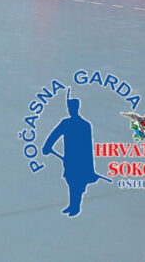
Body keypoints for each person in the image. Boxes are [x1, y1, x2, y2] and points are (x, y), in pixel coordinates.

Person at [42, 89, 108, 217]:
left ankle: (75, 207)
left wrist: (90, 168)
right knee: (71, 181)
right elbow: (54, 135)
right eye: (69, 108)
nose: (70, 110)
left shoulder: (84, 125)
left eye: (72, 108)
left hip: (80, 159)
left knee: (77, 183)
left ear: (76, 108)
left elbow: (88, 147)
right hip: (70, 158)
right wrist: (47, 146)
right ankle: (73, 205)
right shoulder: (68, 123)